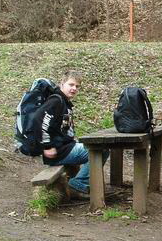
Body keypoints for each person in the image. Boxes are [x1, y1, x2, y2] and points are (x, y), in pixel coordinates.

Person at [33, 70, 108, 199]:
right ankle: (77, 185)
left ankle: (82, 183)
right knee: (100, 150)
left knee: (99, 148)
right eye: (71, 84)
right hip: (58, 151)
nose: (74, 88)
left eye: (77, 86)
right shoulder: (56, 101)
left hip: (65, 148)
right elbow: (38, 120)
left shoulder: (64, 102)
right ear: (62, 84)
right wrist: (47, 146)